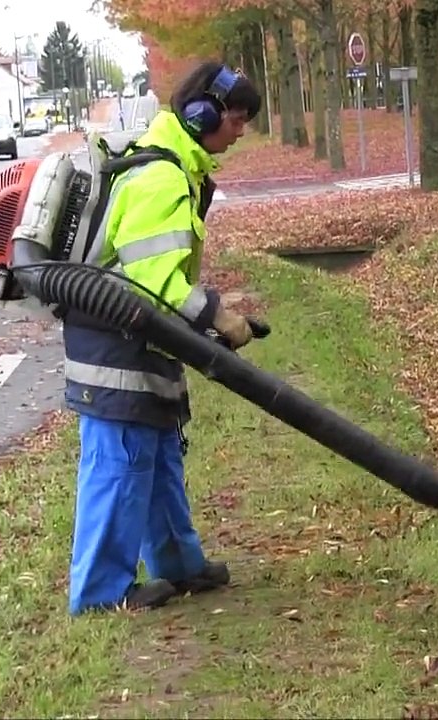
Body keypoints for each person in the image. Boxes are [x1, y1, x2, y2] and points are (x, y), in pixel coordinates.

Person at [63, 61, 262, 615]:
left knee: (158, 458)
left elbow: (161, 274)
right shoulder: (162, 174)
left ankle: (179, 565)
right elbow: (150, 282)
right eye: (238, 119)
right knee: (120, 466)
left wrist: (212, 313)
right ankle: (100, 594)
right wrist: (216, 315)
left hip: (142, 342)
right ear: (204, 114)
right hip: (114, 346)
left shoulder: (177, 164)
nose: (240, 132)